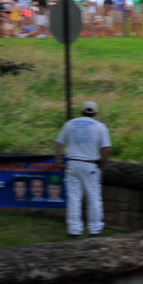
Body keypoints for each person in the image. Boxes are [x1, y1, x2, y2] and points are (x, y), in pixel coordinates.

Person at [54, 100, 112, 237]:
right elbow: (107, 149)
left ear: (82, 111)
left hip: (72, 164)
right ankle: (95, 229)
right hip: (90, 165)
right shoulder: (100, 127)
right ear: (95, 113)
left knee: (74, 198)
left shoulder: (70, 124)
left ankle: (74, 230)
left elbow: (58, 144)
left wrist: (59, 162)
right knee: (94, 198)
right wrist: (102, 166)